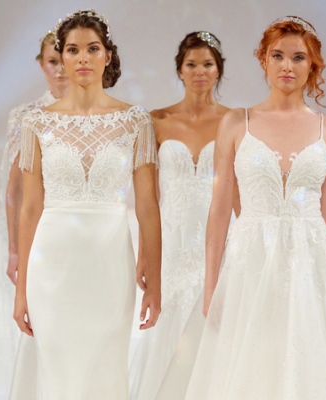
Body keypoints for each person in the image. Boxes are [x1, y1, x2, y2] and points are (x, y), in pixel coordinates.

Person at [183, 16, 326, 399]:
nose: (288, 65)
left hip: (311, 264)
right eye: (278, 56)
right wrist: (211, 287)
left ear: (312, 65)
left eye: (298, 57)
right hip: (251, 262)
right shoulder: (236, 122)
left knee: (305, 366)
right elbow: (219, 211)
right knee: (252, 364)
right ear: (264, 60)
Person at [12, 9, 162, 399]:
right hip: (51, 266)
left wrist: (155, 284)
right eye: (73, 50)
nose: (83, 58)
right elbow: (30, 208)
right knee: (56, 371)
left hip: (110, 265)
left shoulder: (136, 121)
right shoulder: (36, 122)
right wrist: (21, 290)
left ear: (107, 56)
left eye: (92, 49)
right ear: (61, 57)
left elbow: (148, 206)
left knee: (105, 368)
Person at [129, 31, 229, 400]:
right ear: (179, 70)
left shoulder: (234, 121)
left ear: (218, 70)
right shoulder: (156, 121)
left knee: (215, 318)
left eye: (207, 64)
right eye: (192, 64)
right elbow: (148, 197)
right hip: (172, 241)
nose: (200, 71)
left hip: (219, 237)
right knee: (170, 320)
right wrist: (145, 253)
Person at [0, 30, 69, 398]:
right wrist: (14, 250)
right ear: (41, 65)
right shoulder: (26, 116)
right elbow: (14, 189)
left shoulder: (98, 114)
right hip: (41, 233)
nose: (60, 69)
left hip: (83, 231)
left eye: (63, 59)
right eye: (52, 61)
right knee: (45, 324)